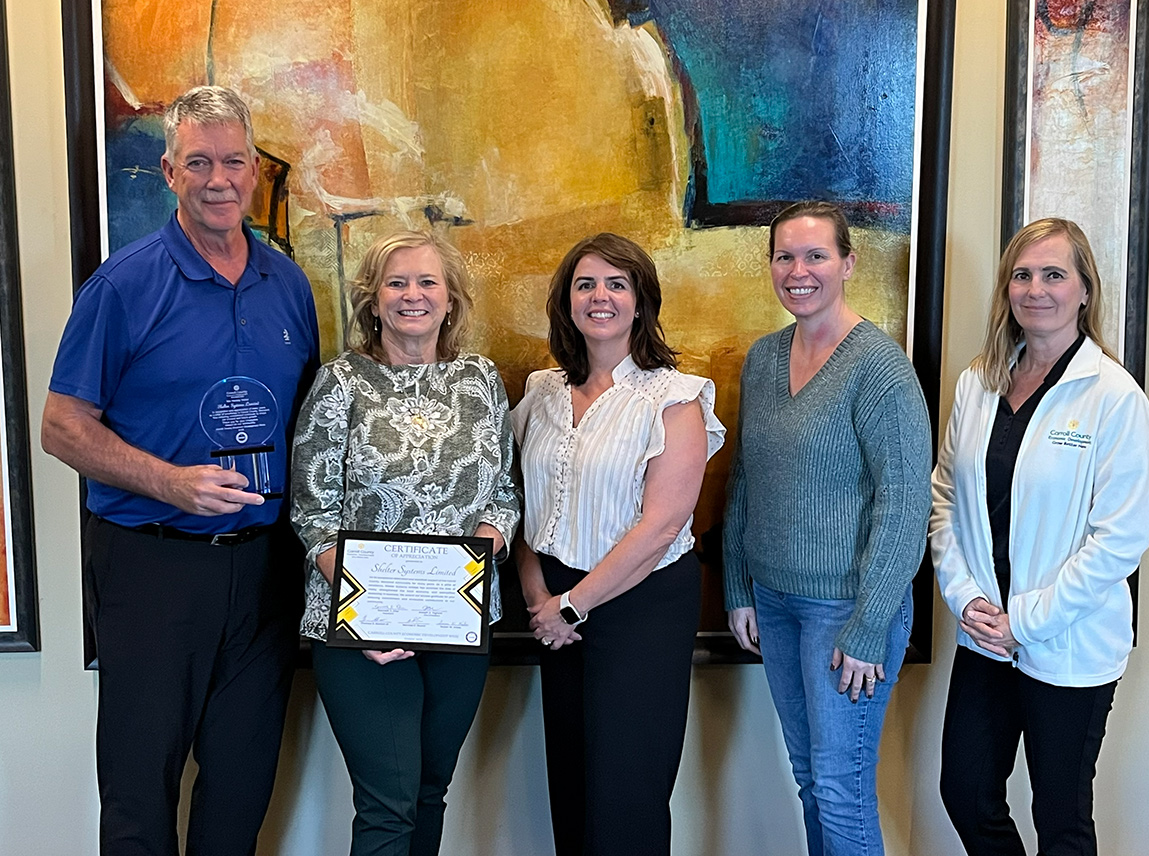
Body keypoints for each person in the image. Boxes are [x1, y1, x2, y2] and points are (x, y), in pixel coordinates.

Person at [41, 86, 320, 855]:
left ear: (255, 171)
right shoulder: (122, 286)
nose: (218, 180)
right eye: (198, 163)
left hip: (263, 571)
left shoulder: (289, 285)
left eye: (233, 162)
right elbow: (61, 426)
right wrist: (171, 482)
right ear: (169, 172)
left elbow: (313, 429)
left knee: (240, 787)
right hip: (150, 566)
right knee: (140, 790)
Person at [290, 229, 519, 856]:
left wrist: (480, 554)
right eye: (396, 282)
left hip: (459, 622)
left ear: (450, 298)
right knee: (388, 804)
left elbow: (503, 493)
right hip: (359, 629)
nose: (412, 295)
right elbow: (313, 512)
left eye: (426, 282)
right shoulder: (342, 382)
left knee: (427, 793)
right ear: (373, 298)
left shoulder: (480, 379)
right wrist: (374, 613)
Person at [931, 218, 1149, 856]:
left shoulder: (1113, 397)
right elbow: (945, 498)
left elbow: (1119, 540)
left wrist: (1025, 621)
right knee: (966, 791)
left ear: (1084, 290)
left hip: (1068, 641)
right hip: (985, 633)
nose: (1035, 289)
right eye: (1021, 275)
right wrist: (966, 597)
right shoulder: (978, 383)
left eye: (1054, 275)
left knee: (1060, 819)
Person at [723, 200, 931, 855]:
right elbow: (745, 477)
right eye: (784, 256)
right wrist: (738, 585)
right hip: (775, 604)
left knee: (842, 793)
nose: (799, 271)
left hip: (847, 613)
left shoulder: (880, 369)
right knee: (813, 782)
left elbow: (905, 504)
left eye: (816, 255)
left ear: (848, 263)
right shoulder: (763, 359)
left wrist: (869, 626)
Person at [512, 233, 724, 856]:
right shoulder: (541, 391)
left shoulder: (674, 397)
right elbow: (521, 502)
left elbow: (661, 527)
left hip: (640, 606)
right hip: (553, 607)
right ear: (567, 301)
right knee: (572, 784)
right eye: (585, 285)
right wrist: (539, 598)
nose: (599, 297)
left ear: (640, 300)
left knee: (626, 793)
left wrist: (572, 605)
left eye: (616, 284)